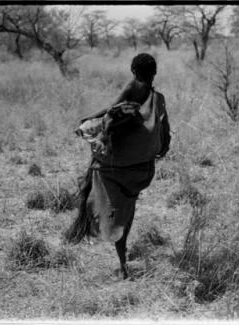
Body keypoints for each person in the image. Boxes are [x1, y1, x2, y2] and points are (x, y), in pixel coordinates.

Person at [65, 53, 171, 279]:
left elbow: (111, 109)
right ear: (155, 73)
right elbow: (165, 133)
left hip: (117, 168)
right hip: (143, 170)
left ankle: (122, 264)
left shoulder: (132, 85)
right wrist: (157, 150)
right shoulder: (158, 98)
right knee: (128, 207)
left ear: (133, 71)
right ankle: (122, 260)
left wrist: (88, 118)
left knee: (113, 209)